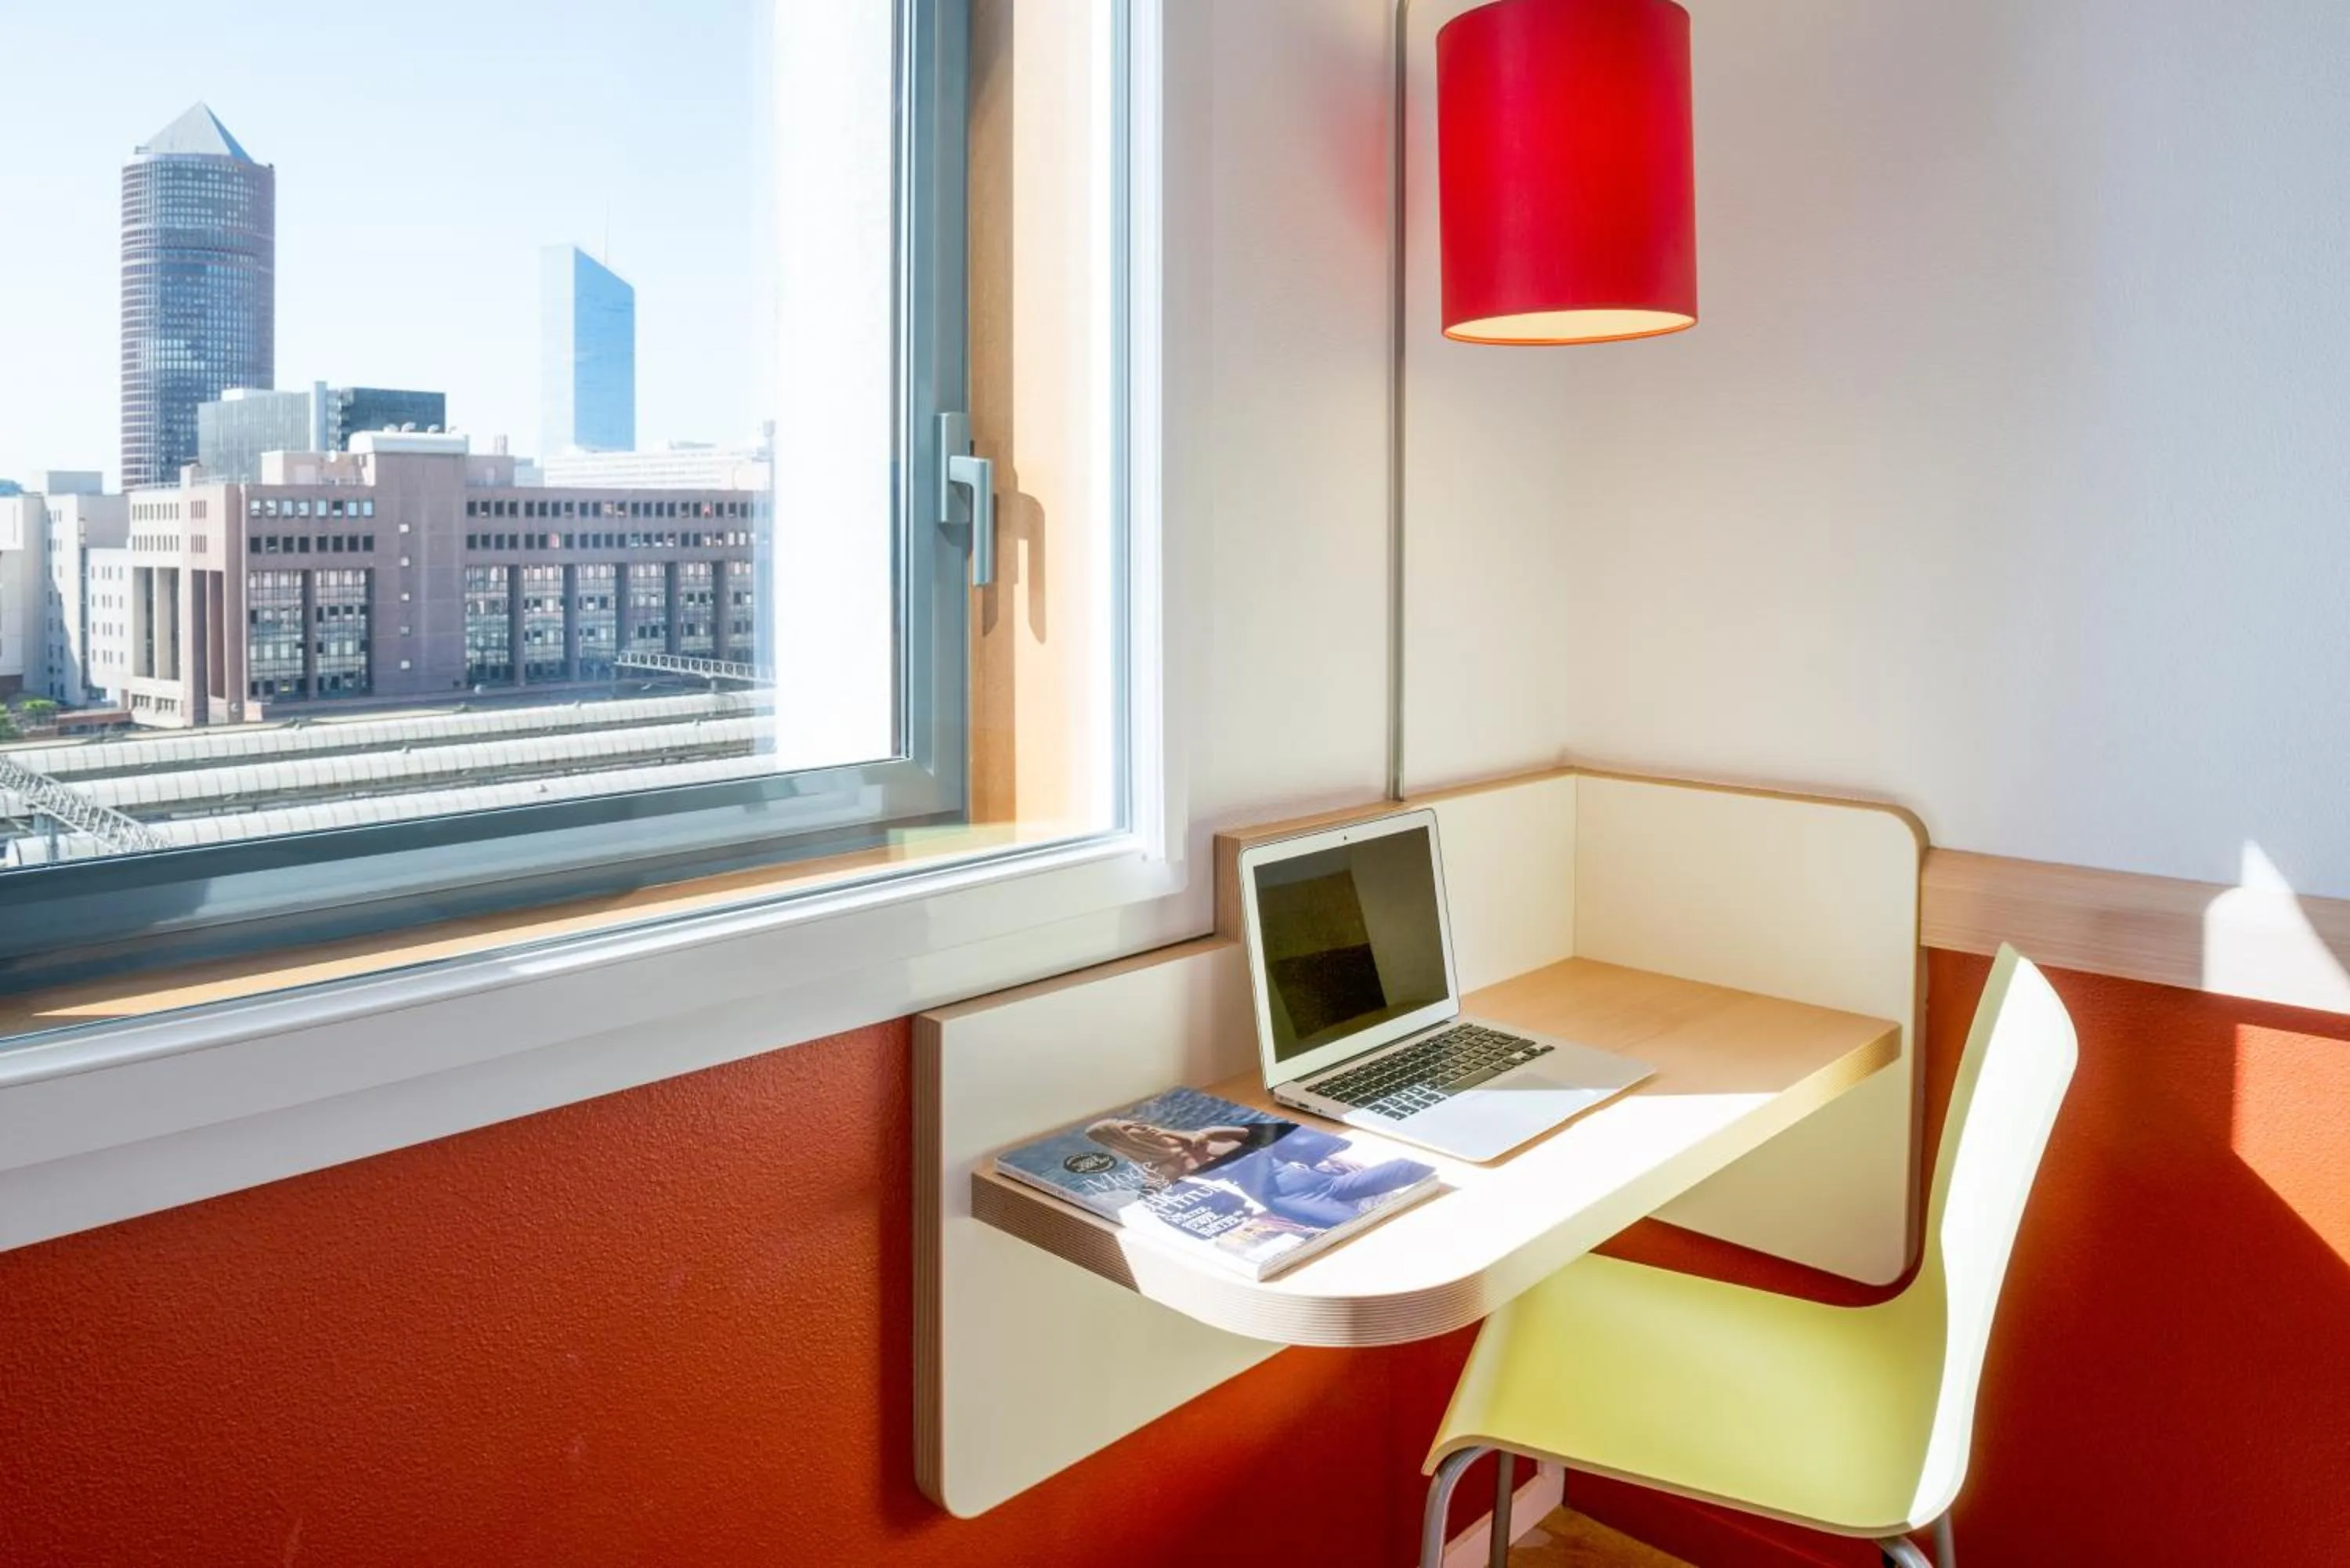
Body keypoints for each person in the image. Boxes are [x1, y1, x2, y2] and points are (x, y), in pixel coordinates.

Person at [1085, 1118, 1432, 1230]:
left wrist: (1190, 1137)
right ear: (1121, 1142)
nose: (1141, 1128)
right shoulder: (1163, 1172)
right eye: (1129, 1131)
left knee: (1409, 1169)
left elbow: (1260, 1135)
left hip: (1320, 1181)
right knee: (1353, 1228)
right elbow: (1162, 1206)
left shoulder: (1209, 1136)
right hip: (1286, 1200)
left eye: (1136, 1123)